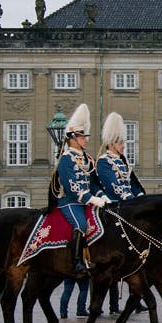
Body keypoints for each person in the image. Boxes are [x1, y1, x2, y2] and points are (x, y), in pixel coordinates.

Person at [97, 112, 157, 316]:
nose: (124, 146)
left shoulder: (123, 162)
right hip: (115, 207)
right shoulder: (104, 162)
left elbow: (133, 183)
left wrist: (141, 197)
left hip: (129, 205)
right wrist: (134, 202)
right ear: (112, 143)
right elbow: (114, 187)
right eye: (121, 143)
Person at [50, 103, 109, 275]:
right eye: (82, 137)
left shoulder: (86, 159)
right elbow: (72, 187)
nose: (86, 140)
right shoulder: (66, 159)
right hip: (70, 202)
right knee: (81, 224)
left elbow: (92, 183)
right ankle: (76, 262)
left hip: (87, 200)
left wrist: (102, 196)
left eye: (85, 137)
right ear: (73, 139)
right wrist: (92, 199)